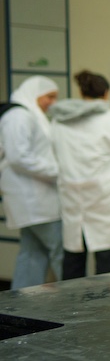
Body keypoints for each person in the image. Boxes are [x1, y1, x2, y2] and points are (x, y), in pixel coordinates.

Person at [49, 71, 110, 278]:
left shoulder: (59, 121)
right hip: (105, 197)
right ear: (106, 94)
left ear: (81, 93)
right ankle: (102, 310)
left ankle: (68, 309)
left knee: (73, 260)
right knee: (106, 265)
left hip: (72, 195)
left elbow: (53, 155)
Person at [0, 76, 63, 289]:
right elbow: (19, 157)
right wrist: (57, 171)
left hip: (34, 196)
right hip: (34, 197)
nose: (52, 102)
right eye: (49, 96)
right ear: (35, 94)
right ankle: (74, 302)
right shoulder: (19, 115)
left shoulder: (30, 115)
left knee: (32, 253)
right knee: (59, 250)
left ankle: (22, 305)